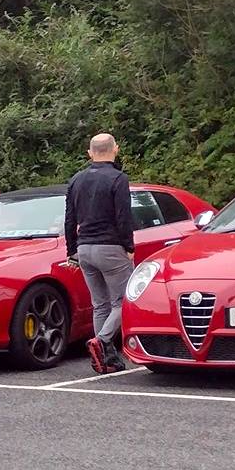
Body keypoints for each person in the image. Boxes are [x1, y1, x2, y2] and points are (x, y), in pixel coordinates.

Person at [64, 131, 137, 373]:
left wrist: (72, 250)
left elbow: (70, 218)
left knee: (100, 305)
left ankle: (104, 359)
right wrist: (128, 247)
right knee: (123, 301)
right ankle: (102, 341)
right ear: (115, 149)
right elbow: (123, 217)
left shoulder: (76, 180)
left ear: (90, 153)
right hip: (111, 246)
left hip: (84, 248)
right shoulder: (118, 179)